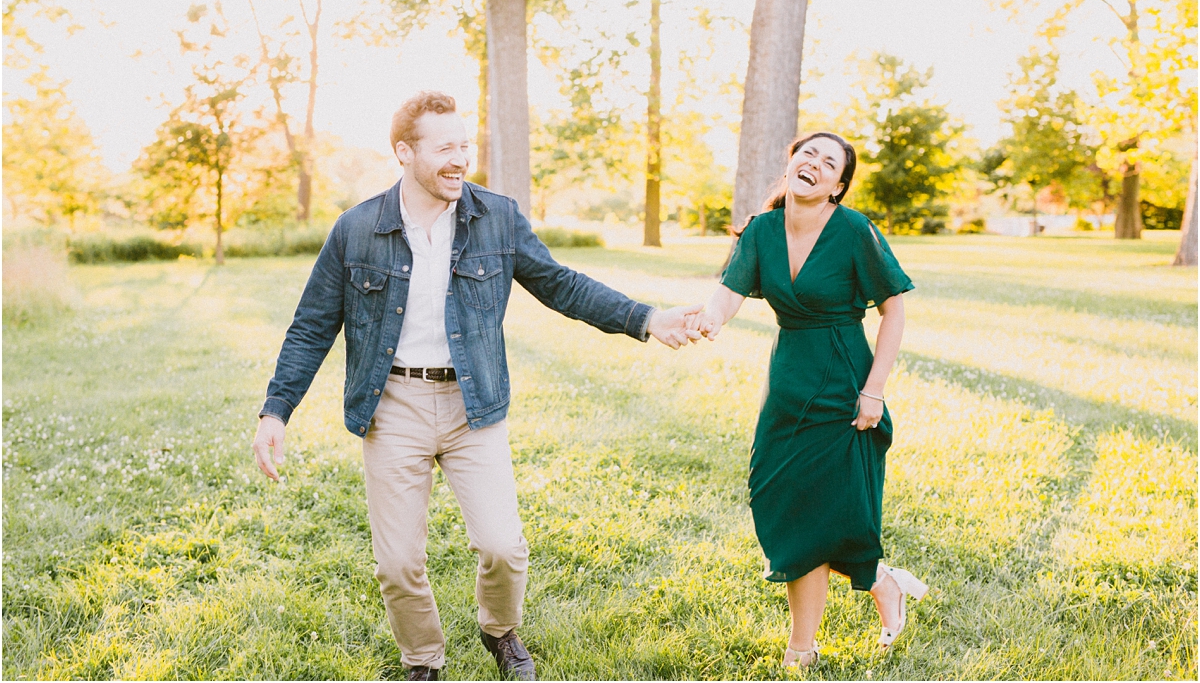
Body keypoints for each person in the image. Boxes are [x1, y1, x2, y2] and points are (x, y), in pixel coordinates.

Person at [251, 91, 702, 681]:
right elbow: (312, 325)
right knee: (397, 562)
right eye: (446, 148)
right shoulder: (356, 230)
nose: (461, 158)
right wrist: (275, 411)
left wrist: (645, 319)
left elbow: (561, 285)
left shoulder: (497, 216)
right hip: (392, 407)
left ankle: (499, 629)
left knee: (503, 548)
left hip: (473, 404)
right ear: (404, 152)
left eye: (465, 145)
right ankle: (423, 660)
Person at [694, 132, 926, 668]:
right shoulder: (762, 230)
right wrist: (710, 318)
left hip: (844, 382)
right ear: (791, 162)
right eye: (807, 154)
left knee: (821, 513)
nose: (814, 165)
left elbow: (895, 310)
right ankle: (882, 581)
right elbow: (730, 290)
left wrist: (874, 390)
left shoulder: (852, 230)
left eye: (829, 163)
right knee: (779, 497)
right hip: (788, 383)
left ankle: (802, 651)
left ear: (837, 186)